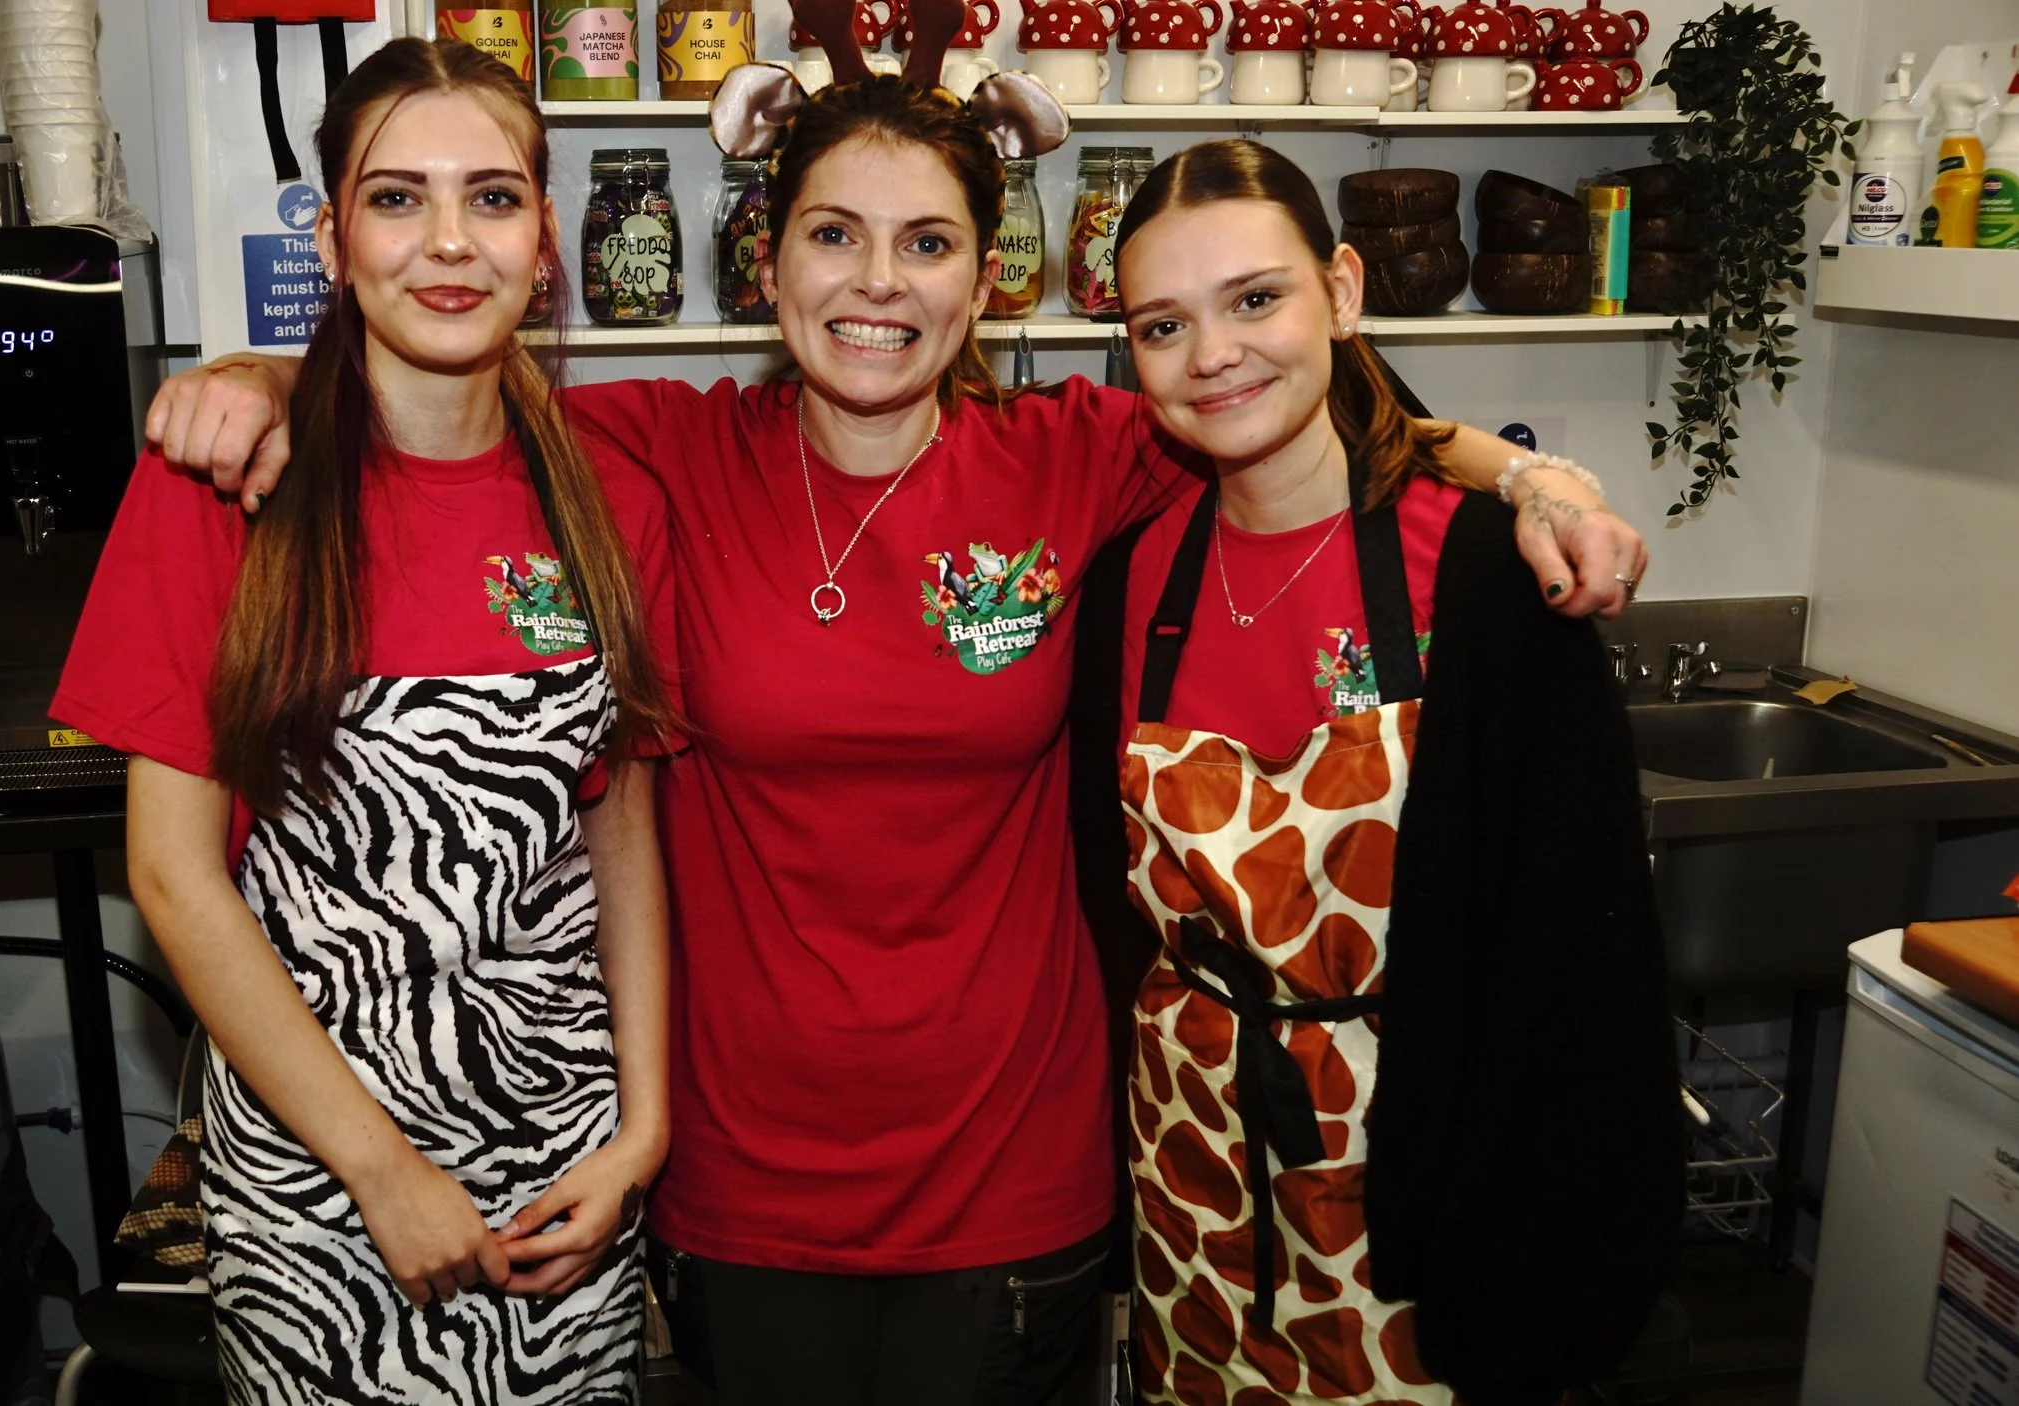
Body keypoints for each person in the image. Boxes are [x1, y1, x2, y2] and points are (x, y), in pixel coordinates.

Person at [136, 10, 1651, 1396]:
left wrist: (1520, 469)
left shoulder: (1081, 451)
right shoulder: (658, 450)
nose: (876, 283)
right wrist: (269, 373)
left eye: (926, 242)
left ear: (985, 271)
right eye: (833, 236)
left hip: (1015, 1171)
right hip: (741, 1181)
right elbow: (436, 383)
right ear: (769, 256)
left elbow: (1282, 393)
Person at [50, 39, 683, 1404]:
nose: (448, 243)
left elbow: (619, 825)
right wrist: (381, 1168)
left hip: (561, 1180)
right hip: (318, 1178)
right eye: (397, 199)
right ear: (332, 238)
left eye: (493, 198)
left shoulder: (606, 496)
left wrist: (641, 1128)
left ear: (546, 244)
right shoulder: (221, 485)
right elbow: (170, 872)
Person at [1099, 139, 1682, 1406]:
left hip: (1420, 1193)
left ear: (1344, 293)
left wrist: (1534, 477)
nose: (1213, 356)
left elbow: (1581, 972)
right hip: (1185, 1177)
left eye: (1256, 299)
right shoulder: (1131, 573)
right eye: (1163, 324)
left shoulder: (1483, 575)